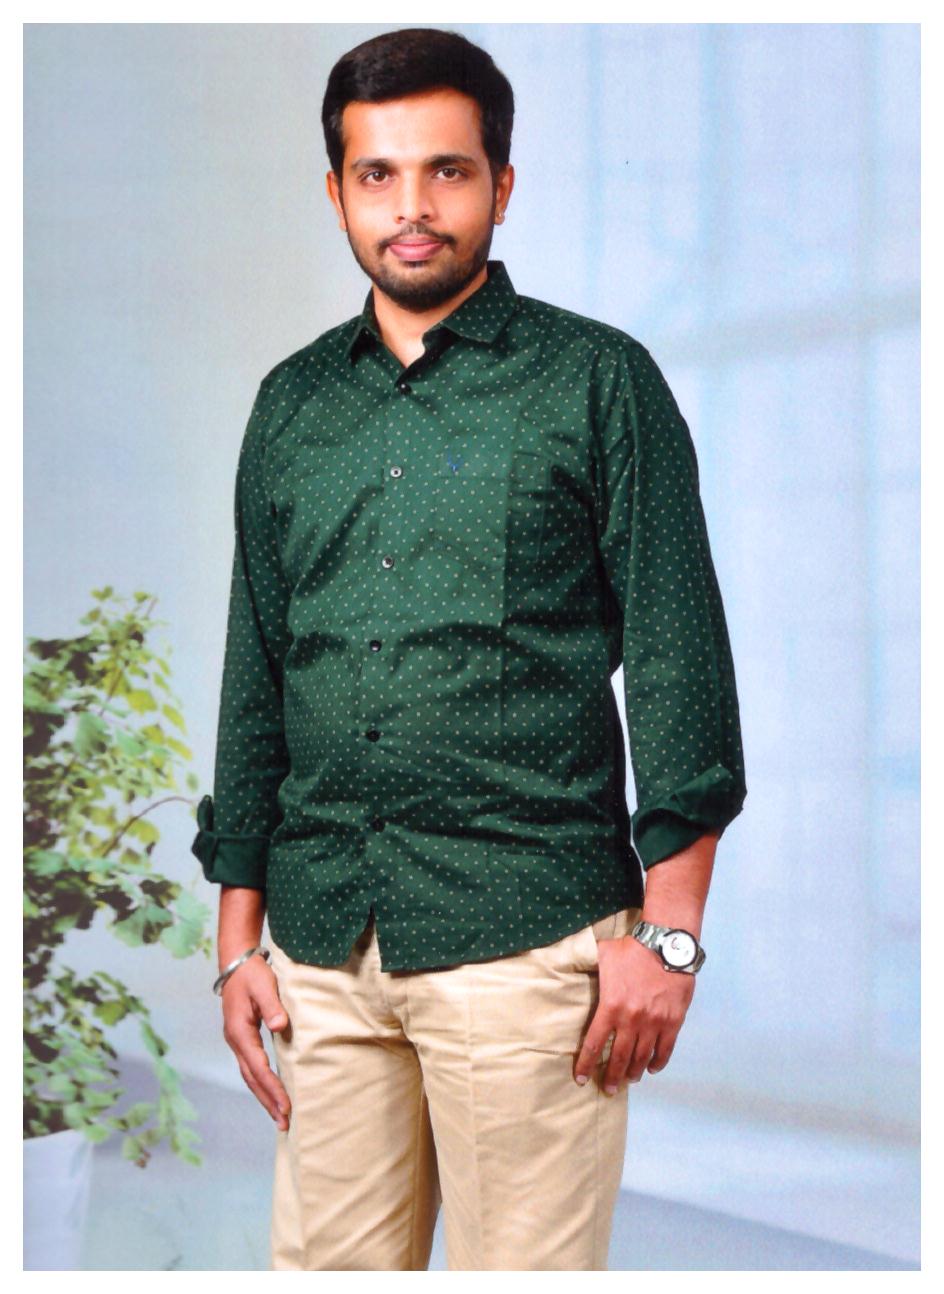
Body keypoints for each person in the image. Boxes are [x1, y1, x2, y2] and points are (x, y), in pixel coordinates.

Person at [191, 26, 747, 1272]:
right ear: (335, 191)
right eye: (377, 174)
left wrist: (668, 938)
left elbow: (677, 660)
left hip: (528, 941)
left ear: (501, 183)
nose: (412, 207)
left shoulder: (595, 381)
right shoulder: (291, 404)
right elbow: (257, 670)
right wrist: (237, 941)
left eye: (446, 171)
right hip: (324, 945)